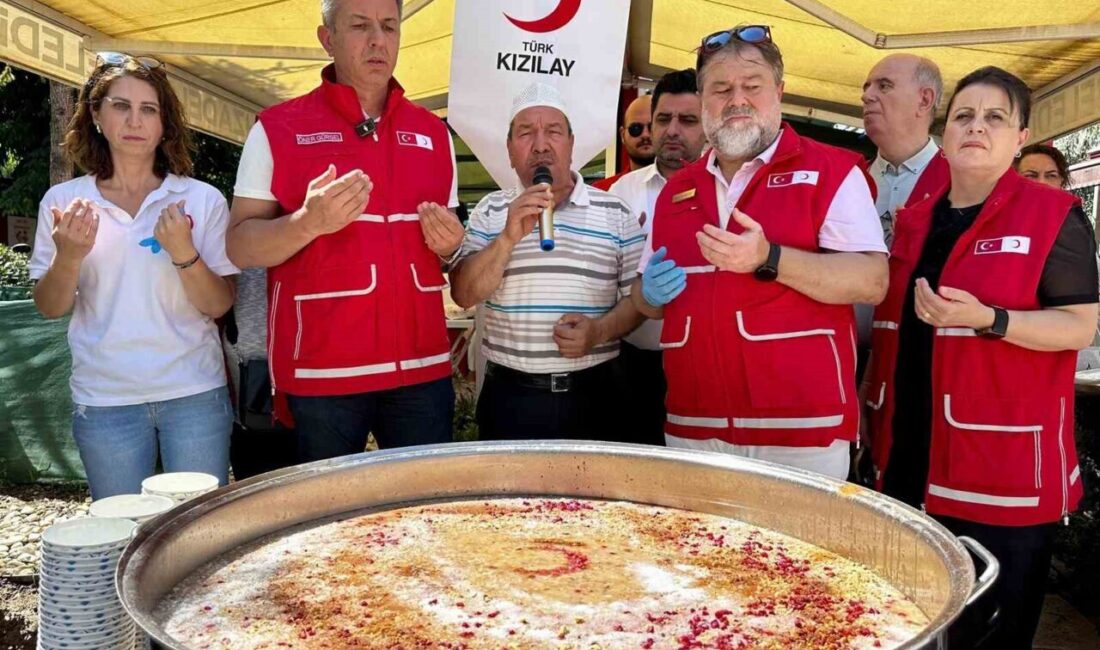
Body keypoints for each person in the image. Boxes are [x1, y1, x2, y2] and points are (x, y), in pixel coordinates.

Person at [863, 67, 1097, 650]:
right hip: (910, 453)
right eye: (964, 115)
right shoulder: (914, 222)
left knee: (992, 633)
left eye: (996, 117)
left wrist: (991, 319)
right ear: (944, 133)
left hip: (1004, 469)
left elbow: (1078, 327)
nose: (977, 127)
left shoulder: (1053, 215)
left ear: (1020, 137)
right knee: (910, 621)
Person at [633, 25, 888, 479]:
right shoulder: (677, 191)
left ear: (779, 92)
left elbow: (872, 280)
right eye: (721, 89)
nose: (737, 100)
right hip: (694, 428)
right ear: (703, 98)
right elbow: (646, 303)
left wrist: (770, 258)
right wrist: (648, 296)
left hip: (801, 434)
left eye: (752, 86)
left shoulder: (830, 170)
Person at [225, 0, 462, 463]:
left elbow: (449, 252)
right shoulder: (278, 128)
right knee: (327, 521)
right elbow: (238, 245)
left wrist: (453, 248)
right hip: (322, 374)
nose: (378, 40)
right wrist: (307, 222)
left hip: (421, 369)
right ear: (326, 38)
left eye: (389, 27)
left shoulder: (434, 133)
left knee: (424, 515)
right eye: (360, 26)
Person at [29, 53, 237, 499]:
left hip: (195, 393)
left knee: (196, 534)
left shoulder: (200, 199)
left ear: (166, 124)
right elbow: (49, 307)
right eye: (121, 106)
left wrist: (184, 254)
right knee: (121, 532)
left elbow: (219, 303)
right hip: (105, 401)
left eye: (149, 109)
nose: (135, 120)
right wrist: (68, 256)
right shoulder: (64, 202)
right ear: (96, 115)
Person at [449, 82, 645, 441]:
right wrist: (507, 238)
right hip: (511, 399)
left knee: (594, 499)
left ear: (572, 144)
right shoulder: (490, 212)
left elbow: (638, 301)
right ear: (509, 151)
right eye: (525, 133)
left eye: (553, 131)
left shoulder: (615, 212)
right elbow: (463, 293)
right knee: (509, 499)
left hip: (597, 396)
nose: (540, 145)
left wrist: (598, 332)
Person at [606, 69, 707, 445]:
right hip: (633, 362)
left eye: (688, 120)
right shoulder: (622, 191)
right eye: (663, 119)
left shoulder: (727, 188)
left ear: (708, 124)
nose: (672, 130)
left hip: (703, 363)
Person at [593, 95, 655, 190]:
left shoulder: (682, 188)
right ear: (622, 135)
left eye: (652, 127)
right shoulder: (603, 191)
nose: (645, 135)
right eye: (635, 128)